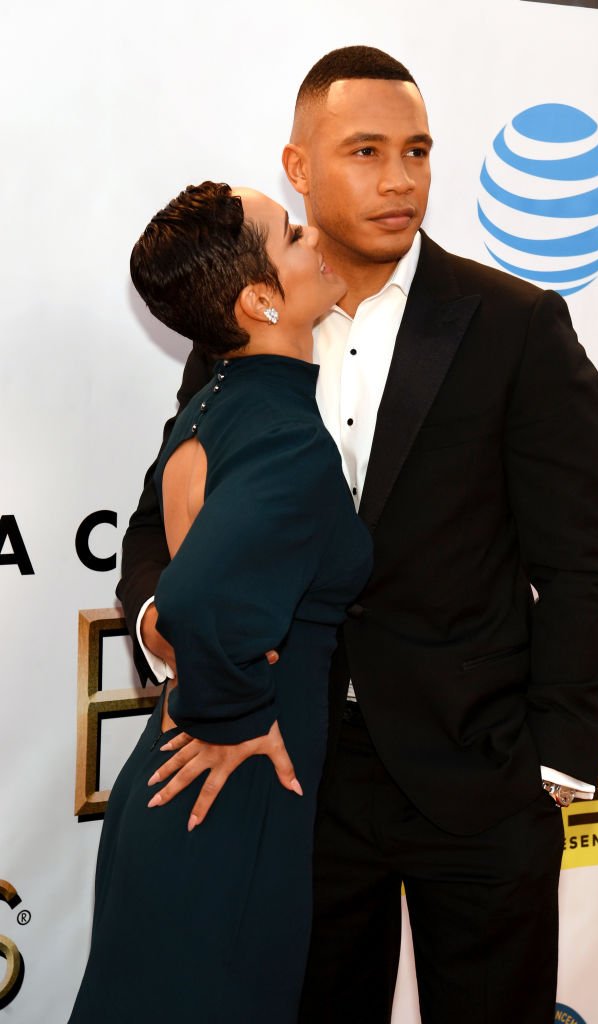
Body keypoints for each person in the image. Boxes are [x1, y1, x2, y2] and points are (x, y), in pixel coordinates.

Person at [117, 47, 598, 1024]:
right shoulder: (248, 320)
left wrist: (556, 757)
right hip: (298, 774)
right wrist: (161, 635)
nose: (400, 180)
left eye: (417, 150)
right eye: (364, 151)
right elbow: (161, 516)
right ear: (296, 168)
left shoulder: (514, 324)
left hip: (479, 774)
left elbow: (575, 561)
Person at [68, 181, 373, 1023]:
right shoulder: (282, 434)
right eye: (289, 234)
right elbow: (198, 598)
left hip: (180, 783)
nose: (314, 237)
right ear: (259, 298)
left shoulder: (218, 403)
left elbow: (182, 589)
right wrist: (236, 716)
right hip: (231, 793)